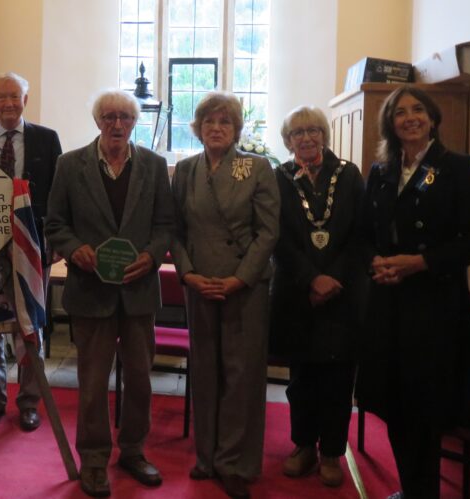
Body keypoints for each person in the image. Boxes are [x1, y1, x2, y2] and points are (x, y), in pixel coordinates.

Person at [355, 85, 470, 499]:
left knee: (425, 406)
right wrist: (375, 261)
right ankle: (410, 489)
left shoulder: (457, 167)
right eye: (399, 112)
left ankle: (424, 492)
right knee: (394, 402)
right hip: (387, 301)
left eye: (417, 110)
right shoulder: (381, 170)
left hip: (433, 305)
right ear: (389, 123)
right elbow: (362, 233)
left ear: (432, 118)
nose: (409, 117)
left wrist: (420, 263)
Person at [45, 90, 174, 497]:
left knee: (139, 379)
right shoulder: (70, 165)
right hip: (90, 291)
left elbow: (165, 225)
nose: (117, 124)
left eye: (125, 117)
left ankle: (134, 451)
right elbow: (55, 223)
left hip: (138, 293)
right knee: (93, 382)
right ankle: (95, 460)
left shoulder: (153, 166)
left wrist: (152, 256)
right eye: (109, 116)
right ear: (98, 121)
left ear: (135, 122)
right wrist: (73, 248)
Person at [170, 91, 279, 499]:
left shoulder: (257, 167)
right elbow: (175, 230)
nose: (216, 128)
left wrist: (241, 278)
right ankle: (207, 456)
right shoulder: (184, 170)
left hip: (243, 288)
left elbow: (269, 232)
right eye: (209, 122)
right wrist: (188, 274)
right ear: (197, 129)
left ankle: (235, 463)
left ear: (236, 130)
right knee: (205, 371)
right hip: (200, 285)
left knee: (242, 376)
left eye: (225, 122)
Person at [268, 106, 366, 489]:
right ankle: (303, 445)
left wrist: (333, 277)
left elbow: (360, 234)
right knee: (301, 376)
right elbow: (277, 236)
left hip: (342, 294)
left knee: (338, 377)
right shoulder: (279, 177)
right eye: (297, 132)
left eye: (312, 130)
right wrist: (310, 278)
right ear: (287, 139)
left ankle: (331, 452)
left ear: (324, 134)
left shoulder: (349, 174)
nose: (306, 138)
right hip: (297, 292)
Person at [0, 72, 62, 433]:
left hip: (31, 248)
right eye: (1, 97)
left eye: (15, 96)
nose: (9, 103)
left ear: (26, 99)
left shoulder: (46, 139)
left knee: (30, 327)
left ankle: (28, 402)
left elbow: (57, 196)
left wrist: (52, 245)